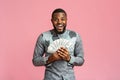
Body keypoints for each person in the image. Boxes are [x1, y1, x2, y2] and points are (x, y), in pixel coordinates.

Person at [32, 8, 84, 80]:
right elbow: (35, 61)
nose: (59, 22)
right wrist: (50, 58)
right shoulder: (43, 37)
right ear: (52, 21)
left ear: (66, 20)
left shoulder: (75, 36)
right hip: (50, 77)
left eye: (62, 19)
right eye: (56, 19)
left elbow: (81, 60)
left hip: (69, 78)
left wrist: (69, 58)